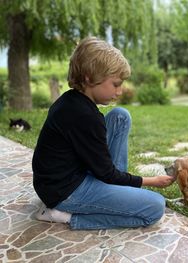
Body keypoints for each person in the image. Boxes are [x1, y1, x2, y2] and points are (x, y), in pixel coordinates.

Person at [32, 36, 175, 230]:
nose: (120, 90)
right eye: (116, 84)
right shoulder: (85, 117)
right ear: (90, 78)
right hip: (64, 191)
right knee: (155, 207)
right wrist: (150, 181)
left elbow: (102, 167)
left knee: (119, 116)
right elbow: (107, 174)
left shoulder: (70, 100)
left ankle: (118, 193)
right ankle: (63, 215)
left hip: (61, 177)